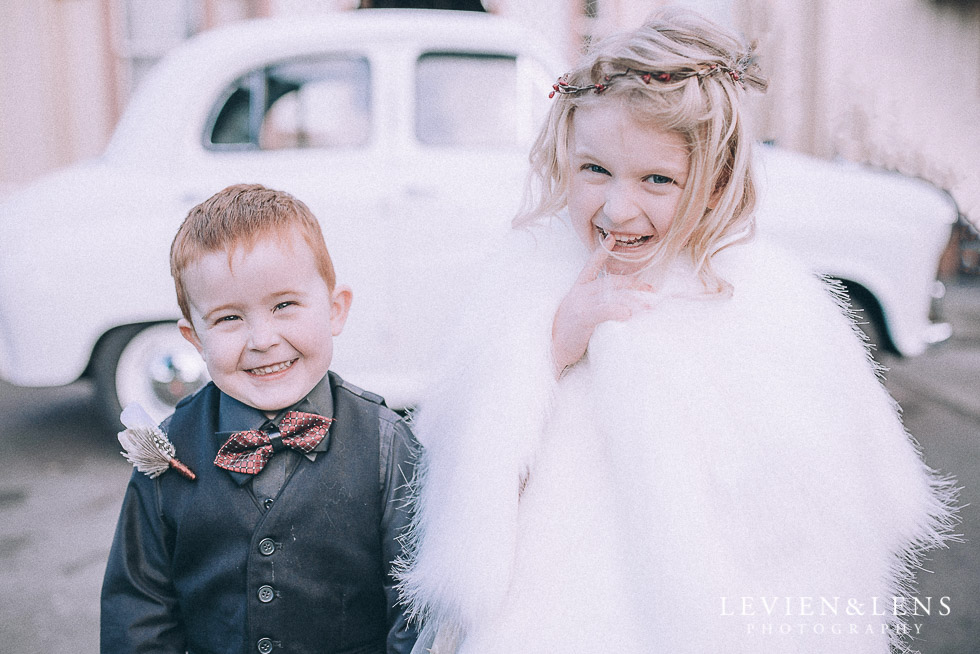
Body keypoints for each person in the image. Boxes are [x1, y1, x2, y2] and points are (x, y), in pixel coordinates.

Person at [397, 8, 956, 654]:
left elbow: (831, 522)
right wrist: (547, 351)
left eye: (657, 180)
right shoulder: (523, 288)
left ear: (714, 186)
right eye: (594, 171)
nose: (616, 208)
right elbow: (465, 520)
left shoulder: (769, 305)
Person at [101, 184, 418, 654]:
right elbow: (139, 611)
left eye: (284, 305)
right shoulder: (169, 452)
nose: (262, 339)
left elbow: (416, 609)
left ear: (335, 309)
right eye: (229, 318)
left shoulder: (387, 444)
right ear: (194, 338)